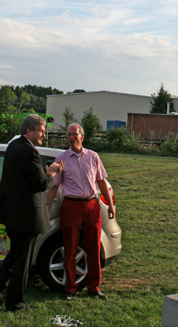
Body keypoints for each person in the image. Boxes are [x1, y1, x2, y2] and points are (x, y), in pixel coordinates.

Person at [0, 115, 63, 312]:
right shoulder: (29, 152)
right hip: (26, 217)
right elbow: (41, 183)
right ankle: (15, 303)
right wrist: (51, 172)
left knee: (13, 257)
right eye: (41, 131)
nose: (43, 135)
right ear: (29, 131)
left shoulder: (13, 146)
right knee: (22, 261)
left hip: (12, 214)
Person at [47, 122, 115, 300]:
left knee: (94, 247)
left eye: (74, 134)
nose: (70, 138)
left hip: (92, 205)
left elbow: (101, 182)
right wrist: (46, 209)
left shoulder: (93, 156)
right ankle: (70, 288)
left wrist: (111, 205)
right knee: (70, 247)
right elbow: (54, 187)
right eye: (68, 135)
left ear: (81, 136)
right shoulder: (61, 159)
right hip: (71, 206)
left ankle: (94, 287)